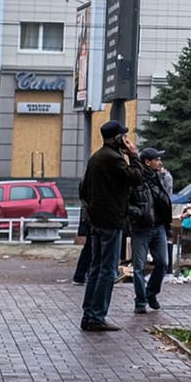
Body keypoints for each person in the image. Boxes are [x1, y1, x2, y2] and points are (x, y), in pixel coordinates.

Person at [78, 120, 139, 332]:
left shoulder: (96, 158)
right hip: (110, 221)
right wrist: (133, 156)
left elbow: (83, 190)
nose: (127, 140)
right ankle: (96, 316)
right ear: (117, 139)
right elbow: (136, 178)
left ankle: (89, 314)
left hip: (96, 220)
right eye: (124, 136)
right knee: (108, 269)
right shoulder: (113, 159)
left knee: (96, 267)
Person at [130, 147, 173, 314]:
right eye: (157, 160)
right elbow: (127, 202)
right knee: (139, 267)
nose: (160, 163)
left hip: (159, 227)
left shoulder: (159, 177)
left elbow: (165, 199)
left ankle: (151, 293)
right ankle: (140, 301)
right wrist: (137, 213)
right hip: (141, 228)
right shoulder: (136, 179)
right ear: (147, 162)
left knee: (163, 263)